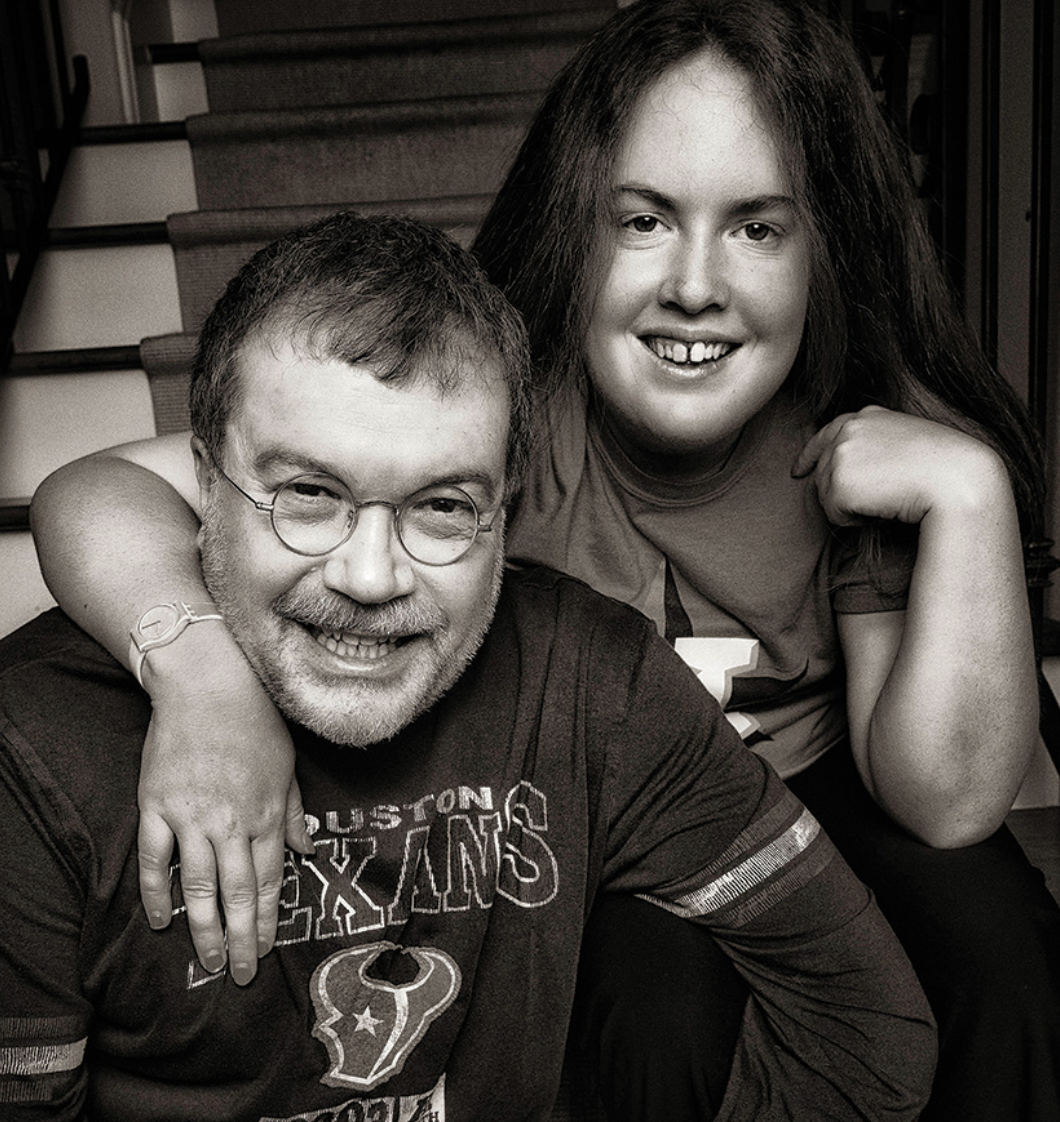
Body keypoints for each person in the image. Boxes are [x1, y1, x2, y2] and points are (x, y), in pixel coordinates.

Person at [26, 0, 1060, 1118]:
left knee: (1014, 974)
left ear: (827, 245)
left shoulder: (855, 437)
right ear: (575, 225)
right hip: (600, 818)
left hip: (820, 784)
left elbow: (943, 803)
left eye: (757, 228)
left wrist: (971, 496)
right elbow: (95, 491)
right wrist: (202, 674)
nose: (696, 284)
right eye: (645, 220)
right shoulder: (478, 435)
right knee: (654, 1011)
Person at [0, 212, 935, 1121]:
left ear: (504, 516)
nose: (370, 578)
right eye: (309, 495)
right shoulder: (39, 749)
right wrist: (199, 676)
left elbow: (867, 1028)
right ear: (205, 484)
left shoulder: (591, 686)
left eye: (443, 508)